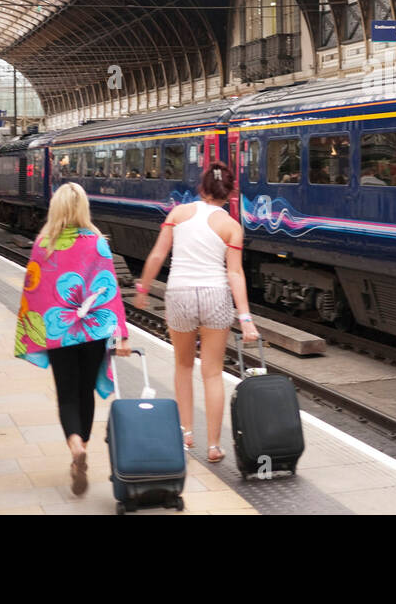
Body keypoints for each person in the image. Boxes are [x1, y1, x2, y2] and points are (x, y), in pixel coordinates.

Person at [136, 162, 258, 462]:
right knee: (213, 373)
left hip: (179, 295)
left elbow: (157, 254)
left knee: (183, 367)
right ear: (230, 194)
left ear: (201, 189)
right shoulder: (231, 226)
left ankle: (186, 433)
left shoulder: (178, 214)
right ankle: (214, 445)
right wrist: (245, 318)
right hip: (215, 296)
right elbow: (235, 274)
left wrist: (143, 289)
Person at [15, 183, 130, 496]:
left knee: (66, 393)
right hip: (92, 331)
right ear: (83, 209)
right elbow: (110, 291)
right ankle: (85, 446)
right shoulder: (97, 243)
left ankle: (75, 446)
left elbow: (32, 291)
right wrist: (120, 334)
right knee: (85, 392)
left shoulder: (43, 244)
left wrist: (29, 331)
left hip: (58, 329)